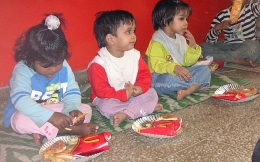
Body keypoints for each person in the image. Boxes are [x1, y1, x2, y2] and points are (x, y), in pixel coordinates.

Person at [3, 13, 98, 146]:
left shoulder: (64, 66)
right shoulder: (22, 70)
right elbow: (21, 101)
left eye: (57, 63)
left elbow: (71, 90)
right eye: (45, 66)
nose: (53, 70)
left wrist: (72, 109)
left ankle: (42, 131)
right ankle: (69, 130)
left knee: (85, 110)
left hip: (53, 107)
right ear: (31, 59)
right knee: (19, 121)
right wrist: (50, 117)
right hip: (25, 111)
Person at [87, 10, 163, 127]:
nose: (133, 36)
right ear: (111, 39)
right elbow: (101, 91)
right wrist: (123, 95)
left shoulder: (135, 55)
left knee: (151, 93)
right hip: (110, 98)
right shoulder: (99, 63)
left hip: (132, 94)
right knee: (106, 106)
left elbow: (144, 75)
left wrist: (140, 88)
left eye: (133, 31)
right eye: (128, 32)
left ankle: (127, 113)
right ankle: (142, 109)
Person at [145, 0, 211, 100]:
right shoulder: (157, 42)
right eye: (181, 19)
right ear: (165, 20)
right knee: (169, 79)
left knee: (204, 70)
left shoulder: (180, 39)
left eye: (186, 19)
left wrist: (193, 47)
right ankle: (196, 85)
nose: (186, 23)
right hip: (159, 78)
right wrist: (175, 68)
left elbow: (186, 62)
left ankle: (188, 90)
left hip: (179, 75)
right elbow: (158, 65)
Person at [200, 0, 260, 67]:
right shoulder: (222, 15)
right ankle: (235, 60)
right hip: (228, 45)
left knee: (254, 46)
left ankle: (225, 58)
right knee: (202, 47)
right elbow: (209, 41)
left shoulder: (251, 10)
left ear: (248, 0)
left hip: (245, 45)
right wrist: (216, 28)